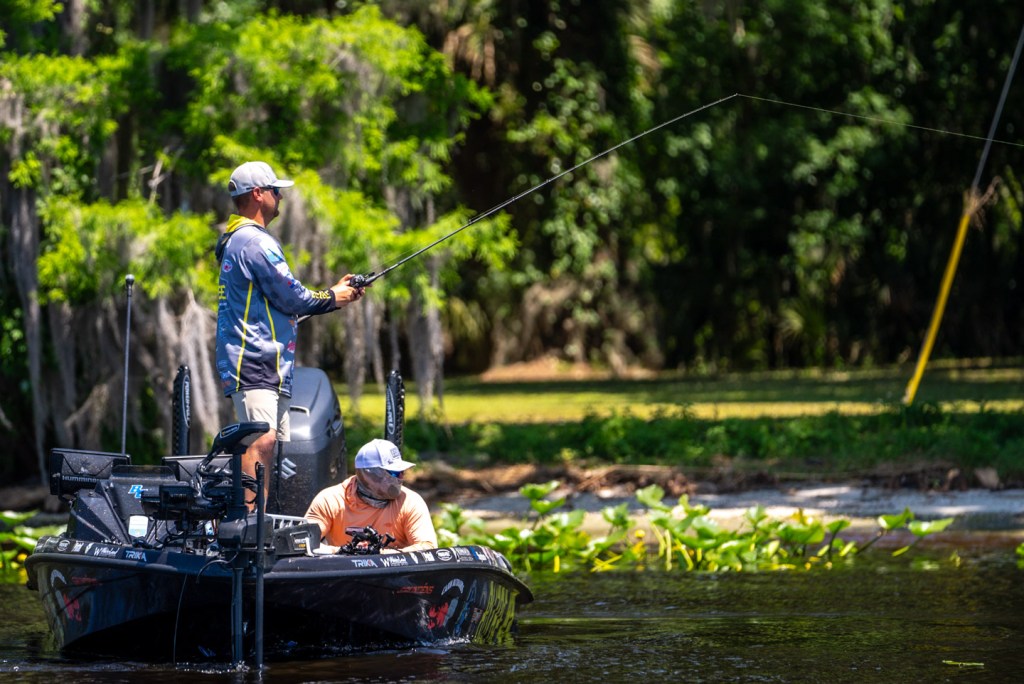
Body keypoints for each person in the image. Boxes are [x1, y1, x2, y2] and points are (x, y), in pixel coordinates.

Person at [215, 161, 364, 505]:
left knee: (271, 448)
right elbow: (292, 296)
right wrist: (332, 298)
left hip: (267, 363)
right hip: (253, 360)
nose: (280, 197)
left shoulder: (239, 239)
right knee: (260, 442)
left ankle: (260, 522)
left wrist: (333, 295)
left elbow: (277, 302)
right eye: (275, 190)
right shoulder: (253, 242)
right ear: (258, 194)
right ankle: (247, 525)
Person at [305, 438, 438, 553]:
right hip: (343, 572)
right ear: (370, 474)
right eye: (395, 472)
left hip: (395, 573)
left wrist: (379, 554)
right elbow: (303, 542)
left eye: (402, 471)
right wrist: (345, 551)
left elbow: (428, 548)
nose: (401, 477)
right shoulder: (330, 500)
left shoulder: (410, 501)